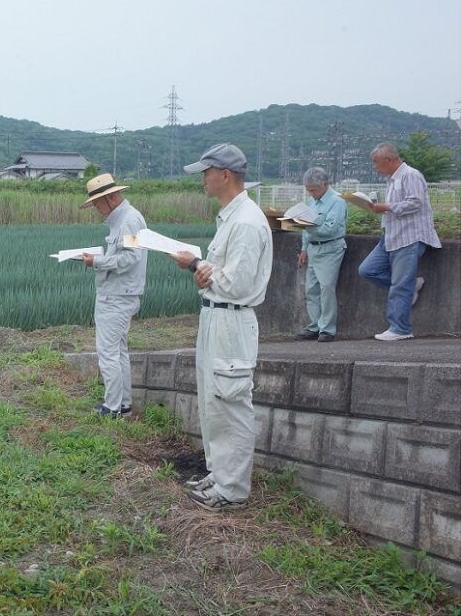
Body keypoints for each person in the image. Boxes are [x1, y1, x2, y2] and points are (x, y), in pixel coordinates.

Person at [170, 143, 273, 512]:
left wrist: (194, 263)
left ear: (224, 175)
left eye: (206, 172)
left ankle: (232, 489)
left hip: (232, 318)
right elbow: (217, 277)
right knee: (213, 398)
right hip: (216, 314)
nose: (203, 179)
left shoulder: (245, 222)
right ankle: (219, 472)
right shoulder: (231, 217)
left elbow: (237, 285)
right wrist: (202, 274)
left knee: (231, 401)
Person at [358, 142, 441, 341]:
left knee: (399, 285)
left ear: (389, 159)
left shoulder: (410, 175)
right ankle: (412, 286)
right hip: (391, 235)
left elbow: (416, 202)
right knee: (367, 270)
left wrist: (386, 207)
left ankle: (401, 328)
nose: (375, 166)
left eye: (377, 162)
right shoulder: (392, 179)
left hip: (409, 236)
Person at [80, 173, 147, 418]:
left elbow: (131, 257)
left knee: (108, 352)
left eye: (97, 203)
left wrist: (96, 260)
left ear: (110, 198)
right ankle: (123, 404)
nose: (96, 208)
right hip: (119, 293)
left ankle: (112, 408)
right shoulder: (124, 220)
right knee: (118, 351)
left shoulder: (129, 221)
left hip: (118, 296)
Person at [295, 167, 347, 343]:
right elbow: (307, 229)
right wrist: (304, 248)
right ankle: (315, 325)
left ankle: (327, 329)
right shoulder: (312, 201)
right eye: (308, 190)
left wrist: (308, 226)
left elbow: (329, 229)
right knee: (311, 289)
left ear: (325, 185)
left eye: (314, 190)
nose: (311, 193)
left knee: (326, 288)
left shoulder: (337, 202)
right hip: (313, 249)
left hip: (330, 248)